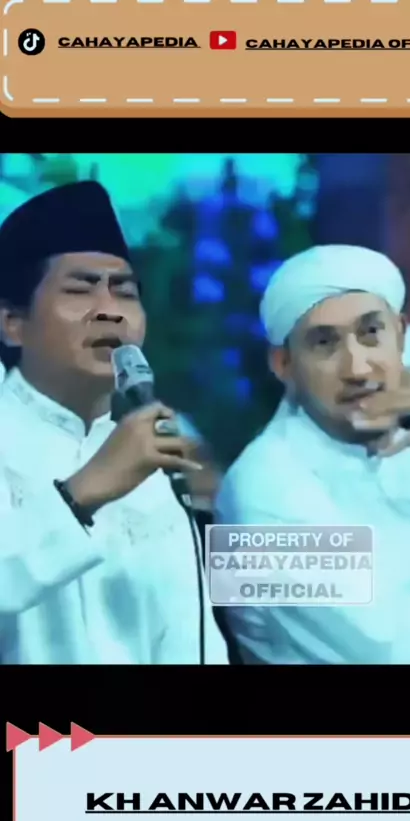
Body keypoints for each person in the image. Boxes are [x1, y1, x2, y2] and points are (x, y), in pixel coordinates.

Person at [216, 244, 410, 665]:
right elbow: (392, 656)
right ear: (284, 364)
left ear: (401, 336)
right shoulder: (260, 487)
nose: (357, 368)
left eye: (371, 333)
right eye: (325, 343)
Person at [0, 181, 229, 665]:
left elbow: (190, 639)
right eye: (79, 289)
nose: (110, 311)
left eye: (125, 292)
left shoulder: (151, 460)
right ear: (12, 323)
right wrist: (83, 492)